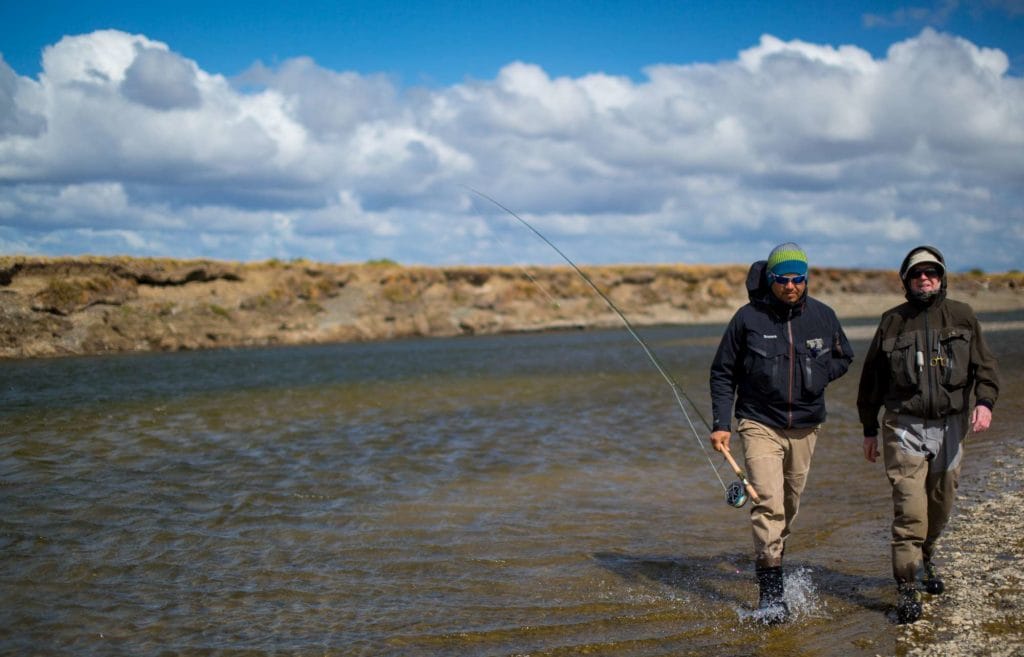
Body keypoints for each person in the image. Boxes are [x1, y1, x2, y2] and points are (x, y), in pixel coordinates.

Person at [709, 242, 854, 623]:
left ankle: (774, 558)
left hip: (806, 426)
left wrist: (819, 374)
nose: (791, 286)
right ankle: (771, 596)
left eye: (798, 279)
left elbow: (844, 356)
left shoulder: (823, 316)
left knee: (788, 506)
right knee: (768, 502)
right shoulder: (747, 319)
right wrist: (722, 425)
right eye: (783, 279)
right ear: (770, 279)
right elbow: (722, 373)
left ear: (806, 279)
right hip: (758, 423)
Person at [857, 245, 999, 624]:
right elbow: (870, 381)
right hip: (903, 427)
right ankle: (906, 587)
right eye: (917, 273)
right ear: (906, 279)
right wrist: (869, 429)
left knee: (940, 505)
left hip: (951, 426)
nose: (925, 278)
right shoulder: (891, 322)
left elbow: (986, 369)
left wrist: (984, 403)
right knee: (910, 510)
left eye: (931, 272)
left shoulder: (963, 316)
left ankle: (927, 557)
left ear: (941, 277)